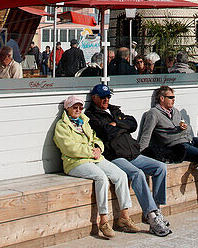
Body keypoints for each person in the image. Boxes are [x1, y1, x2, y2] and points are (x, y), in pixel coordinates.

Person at [85, 84, 171, 236]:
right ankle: (151, 216)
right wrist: (122, 125)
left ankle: (156, 209)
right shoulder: (92, 115)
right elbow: (106, 132)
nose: (106, 100)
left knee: (160, 168)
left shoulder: (114, 110)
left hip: (132, 153)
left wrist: (117, 123)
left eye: (108, 96)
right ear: (94, 98)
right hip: (115, 156)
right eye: (102, 97)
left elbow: (133, 123)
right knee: (137, 174)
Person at [53, 94, 137, 238]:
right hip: (75, 162)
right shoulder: (62, 126)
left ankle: (124, 216)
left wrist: (98, 148)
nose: (78, 110)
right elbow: (69, 148)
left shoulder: (84, 122)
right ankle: (103, 220)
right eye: (75, 107)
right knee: (101, 178)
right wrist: (90, 152)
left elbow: (96, 138)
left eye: (80, 107)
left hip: (94, 157)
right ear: (67, 108)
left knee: (121, 175)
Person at [138, 85, 198, 209]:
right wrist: (140, 154)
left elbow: (187, 127)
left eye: (174, 97)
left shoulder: (176, 112)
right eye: (170, 97)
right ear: (162, 98)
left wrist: (183, 127)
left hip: (188, 140)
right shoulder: (153, 114)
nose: (174, 100)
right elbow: (146, 134)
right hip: (176, 146)